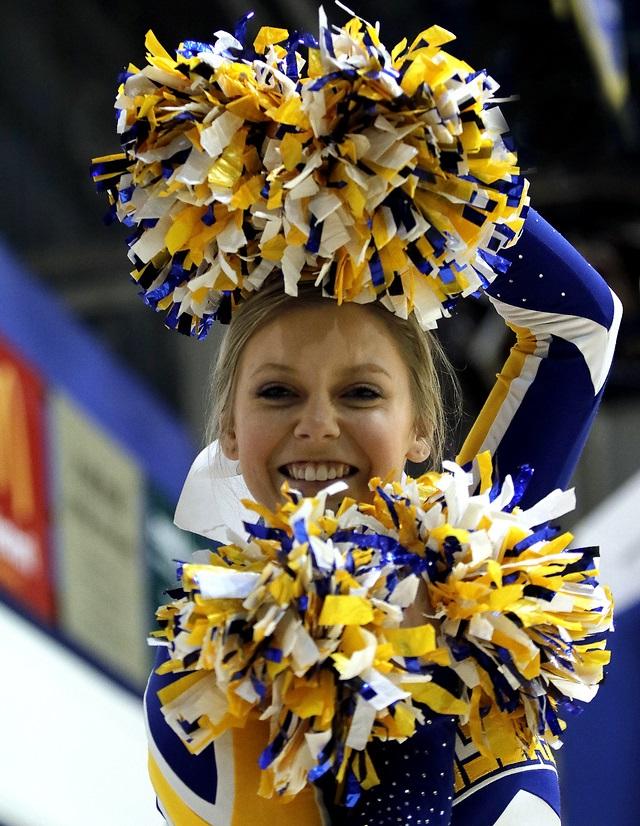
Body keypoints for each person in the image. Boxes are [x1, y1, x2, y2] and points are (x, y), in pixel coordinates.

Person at [92, 10, 620, 824]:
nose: (317, 424)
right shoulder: (210, 690)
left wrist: (408, 171)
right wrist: (403, 653)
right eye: (277, 393)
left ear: (423, 431)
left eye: (362, 394)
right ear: (229, 430)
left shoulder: (473, 557)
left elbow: (580, 325)